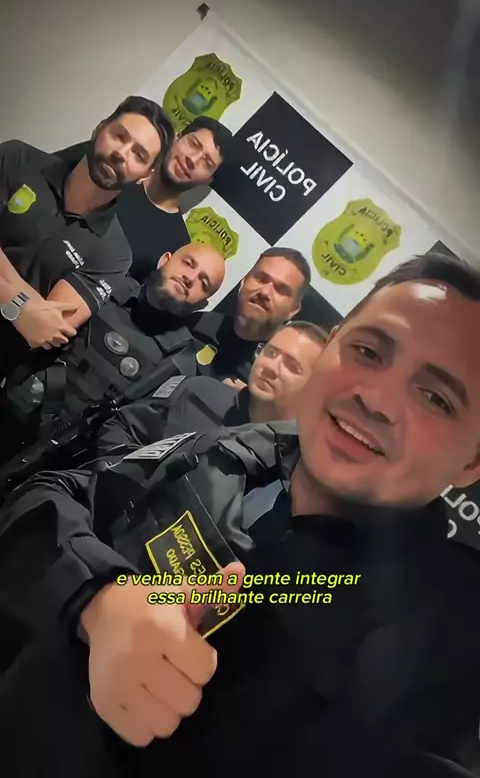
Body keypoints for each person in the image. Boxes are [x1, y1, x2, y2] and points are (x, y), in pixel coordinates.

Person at [2, 252, 480, 777]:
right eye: (368, 351)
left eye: (436, 398)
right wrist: (97, 598)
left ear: (474, 460)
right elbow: (46, 497)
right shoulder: (235, 448)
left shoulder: (438, 648)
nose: (376, 400)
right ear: (333, 344)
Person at [0, 242, 225, 485]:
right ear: (165, 260)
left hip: (50, 469)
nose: (190, 278)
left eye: (204, 283)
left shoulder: (181, 363)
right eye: (188, 263)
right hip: (11, 409)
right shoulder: (103, 285)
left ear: (203, 304)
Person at [0, 95, 168, 376]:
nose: (121, 153)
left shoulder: (114, 254)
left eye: (139, 155)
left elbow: (44, 331)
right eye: (119, 136)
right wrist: (20, 307)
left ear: (145, 174)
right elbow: (31, 316)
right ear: (100, 128)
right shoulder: (18, 159)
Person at [96, 320, 327, 456]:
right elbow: (122, 428)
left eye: (291, 366)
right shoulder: (196, 391)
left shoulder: (292, 464)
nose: (271, 367)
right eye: (270, 352)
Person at [56, 116, 233, 283]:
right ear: (177, 137)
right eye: (193, 144)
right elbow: (44, 175)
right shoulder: (113, 162)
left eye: (207, 162)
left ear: (208, 180)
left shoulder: (177, 247)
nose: (192, 160)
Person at [189, 246, 311, 383]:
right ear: (244, 281)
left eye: (281, 289)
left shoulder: (273, 381)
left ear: (293, 309)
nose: (265, 292)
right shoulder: (195, 324)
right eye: (261, 279)